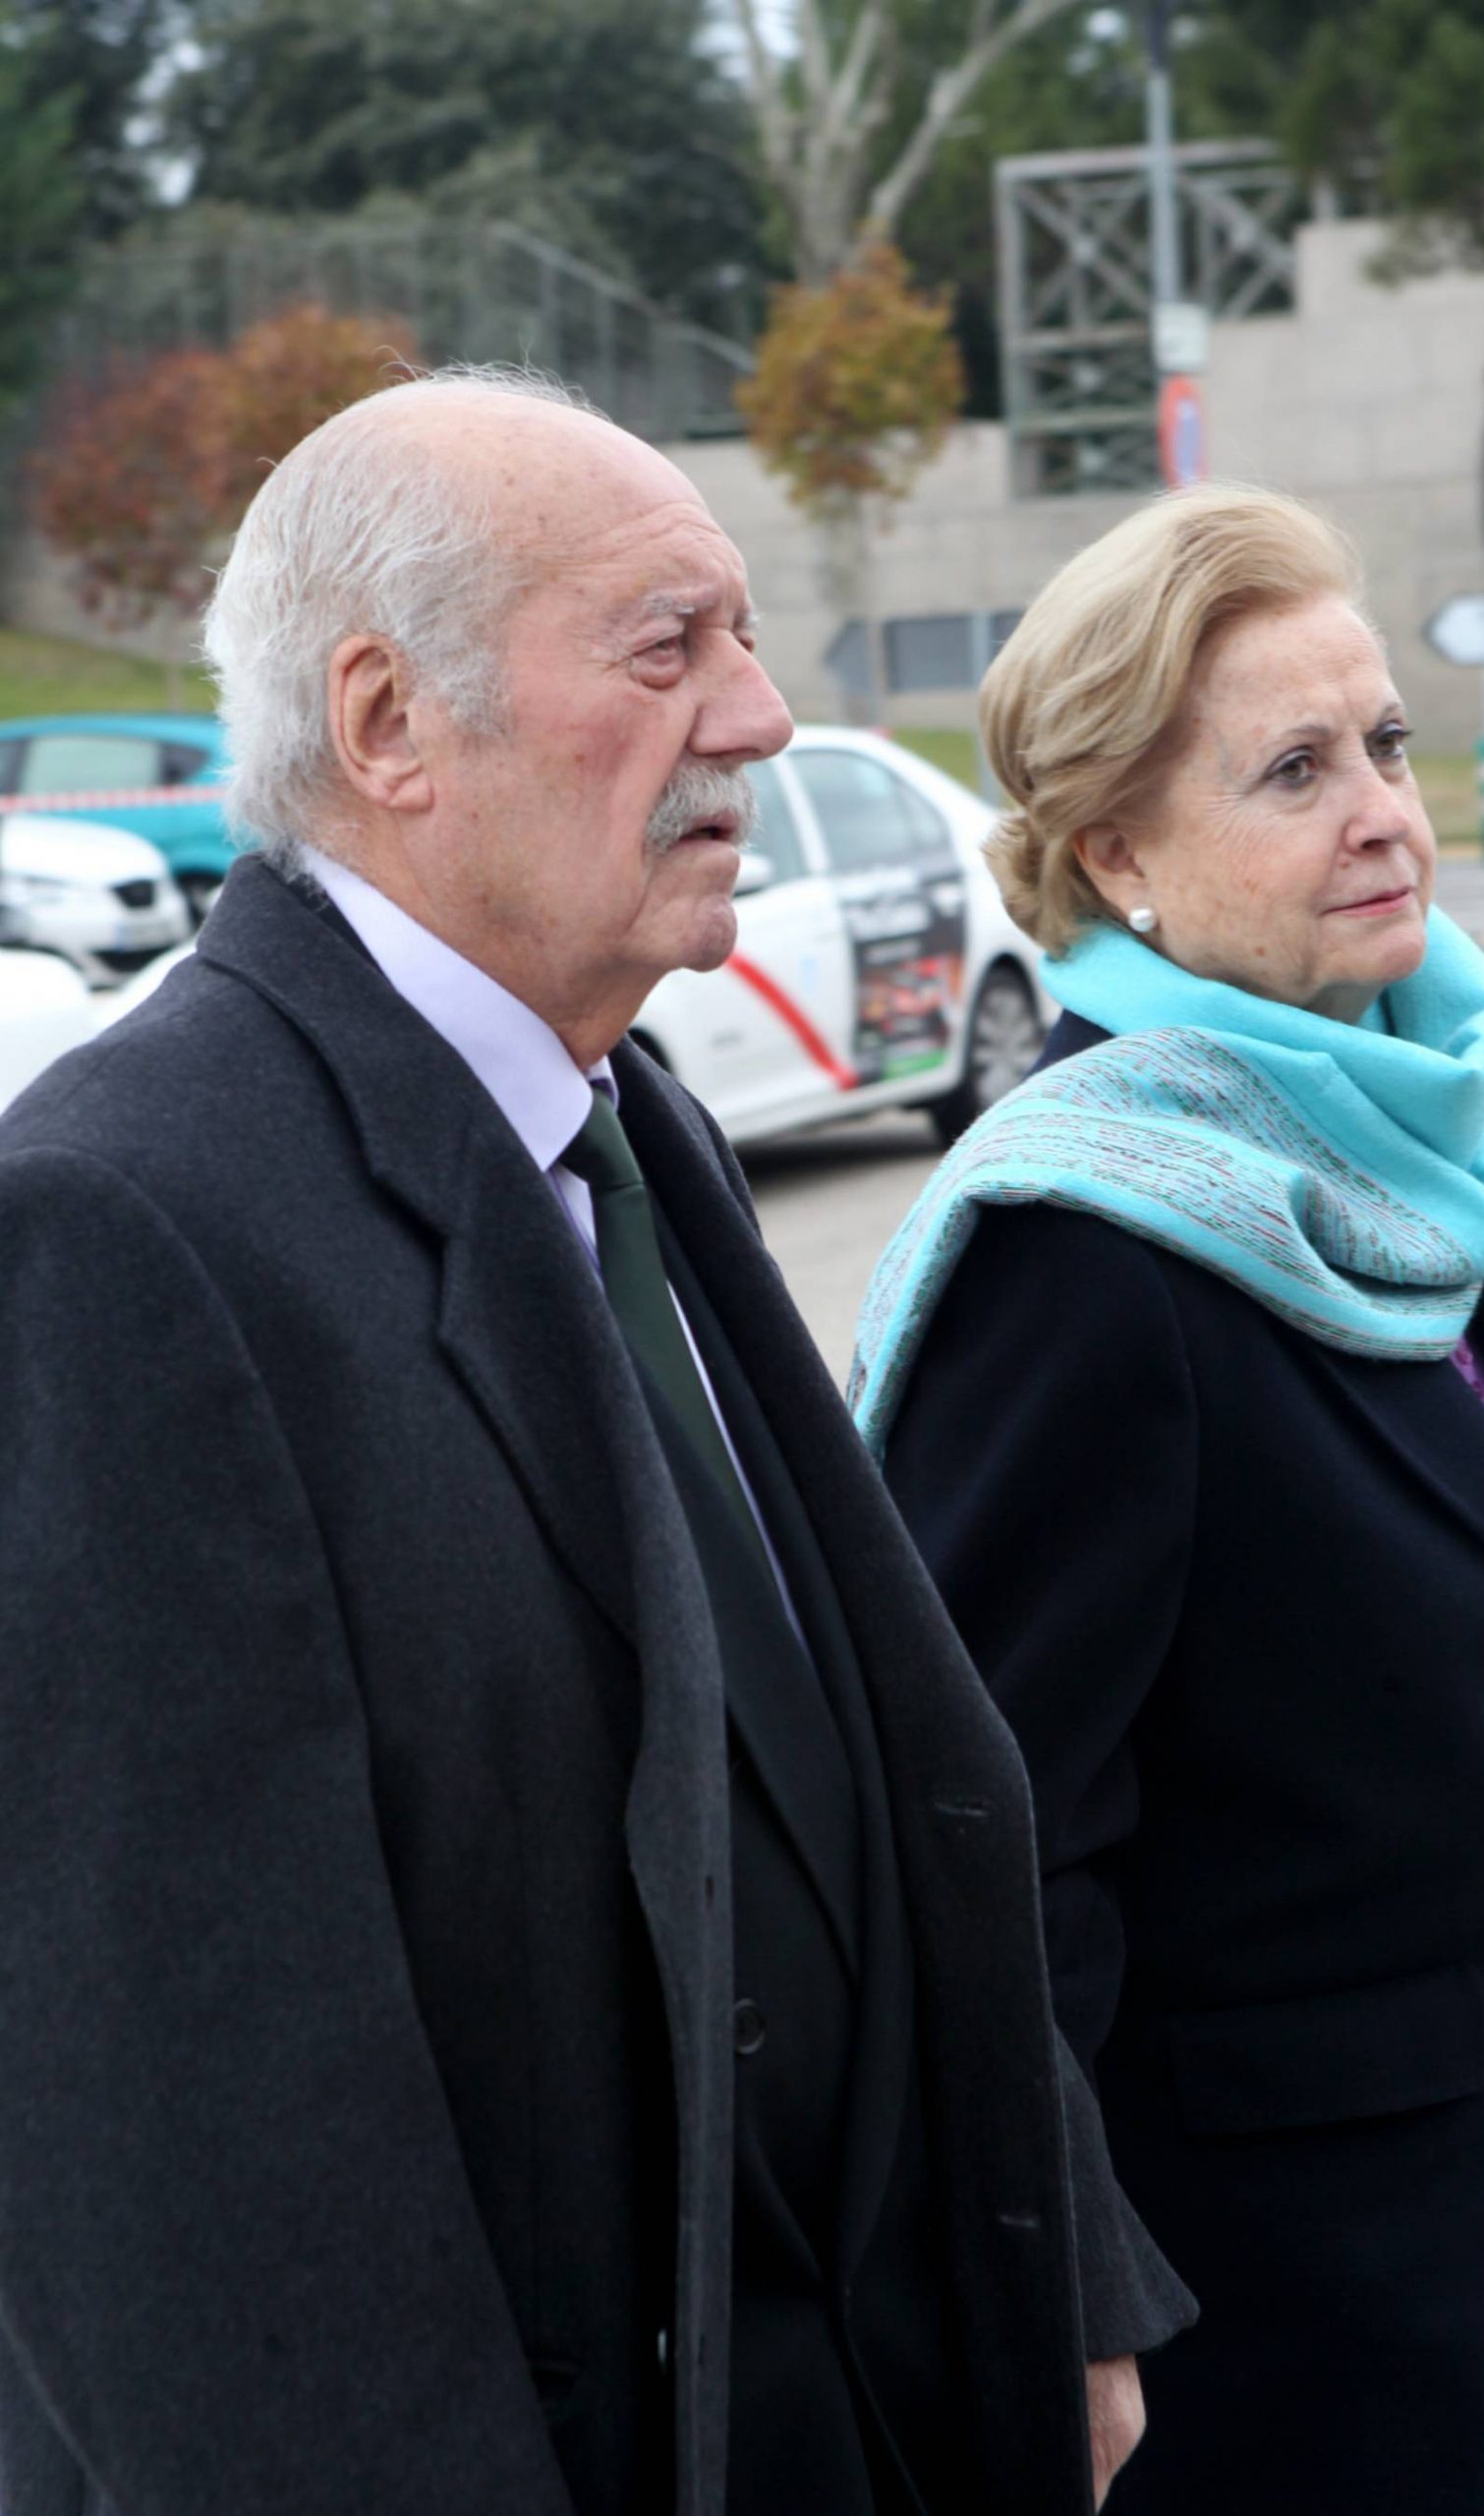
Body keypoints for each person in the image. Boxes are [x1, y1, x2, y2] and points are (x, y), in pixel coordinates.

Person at [0, 371, 1196, 2516]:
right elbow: (180, 2159)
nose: (756, 714)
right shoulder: (118, 1225)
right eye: (669, 647)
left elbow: (885, 1755)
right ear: (387, 726)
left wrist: (1067, 2271)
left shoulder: (620, 1115)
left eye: (740, 637)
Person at [854, 483, 1484, 2516]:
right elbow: (984, 1847)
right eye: (1292, 770)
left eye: (1383, 743)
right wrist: (1062, 2297)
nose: (1381, 810)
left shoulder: (1397, 1136)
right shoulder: (1084, 1245)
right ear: (1117, 855)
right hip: (1315, 2318)